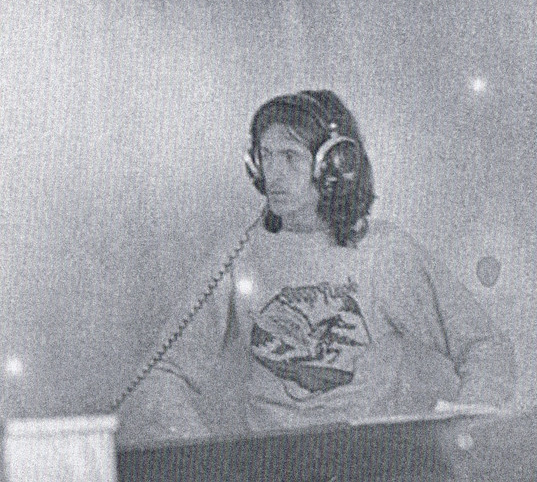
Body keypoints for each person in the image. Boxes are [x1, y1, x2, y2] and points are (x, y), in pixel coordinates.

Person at [117, 90, 516, 445]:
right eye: (266, 156)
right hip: (270, 467)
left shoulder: (385, 252)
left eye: (290, 157)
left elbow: (485, 346)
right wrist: (207, 461)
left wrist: (463, 431)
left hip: (371, 465)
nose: (273, 175)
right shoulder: (240, 253)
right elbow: (164, 372)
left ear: (335, 167)